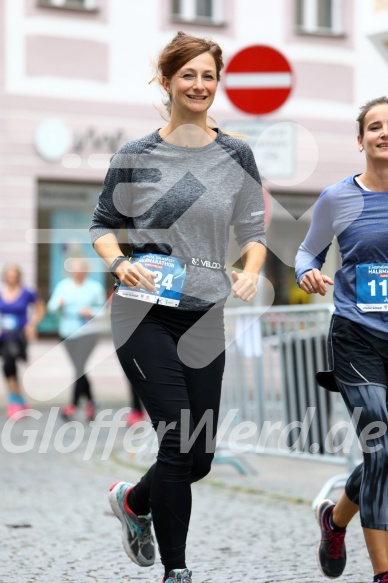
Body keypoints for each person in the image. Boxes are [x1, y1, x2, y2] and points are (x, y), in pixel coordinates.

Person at [90, 31, 266, 583]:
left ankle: (135, 502)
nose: (198, 85)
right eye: (187, 74)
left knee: (199, 458)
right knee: (176, 439)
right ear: (165, 83)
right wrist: (120, 264)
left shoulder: (236, 152)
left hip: (204, 315)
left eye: (208, 75)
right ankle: (177, 571)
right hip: (142, 310)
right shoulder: (135, 155)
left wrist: (252, 273)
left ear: (218, 83)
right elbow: (102, 227)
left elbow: (254, 231)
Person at [295, 96, 388, 583]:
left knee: (386, 455)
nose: (385, 132)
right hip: (357, 339)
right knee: (383, 447)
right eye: (375, 126)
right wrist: (308, 274)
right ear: (361, 140)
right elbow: (307, 253)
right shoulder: (338, 198)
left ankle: (335, 521)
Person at [47, 258, 106, 422]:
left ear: (86, 271)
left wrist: (91, 311)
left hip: (88, 332)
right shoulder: (63, 286)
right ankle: (91, 402)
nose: (77, 272)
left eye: (80, 269)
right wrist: (58, 303)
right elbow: (51, 307)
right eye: (74, 269)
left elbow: (103, 311)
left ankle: (72, 406)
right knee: (80, 368)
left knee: (79, 366)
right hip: (67, 331)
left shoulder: (95, 287)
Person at [0, 264, 46, 418]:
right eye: (9, 275)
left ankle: (15, 401)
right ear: (5, 277)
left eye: (14, 275)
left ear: (18, 277)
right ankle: (18, 401)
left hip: (18, 336)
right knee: (9, 367)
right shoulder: (2, 293)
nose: (11, 278)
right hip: (4, 336)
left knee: (9, 364)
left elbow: (40, 309)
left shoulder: (26, 293)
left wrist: (32, 324)